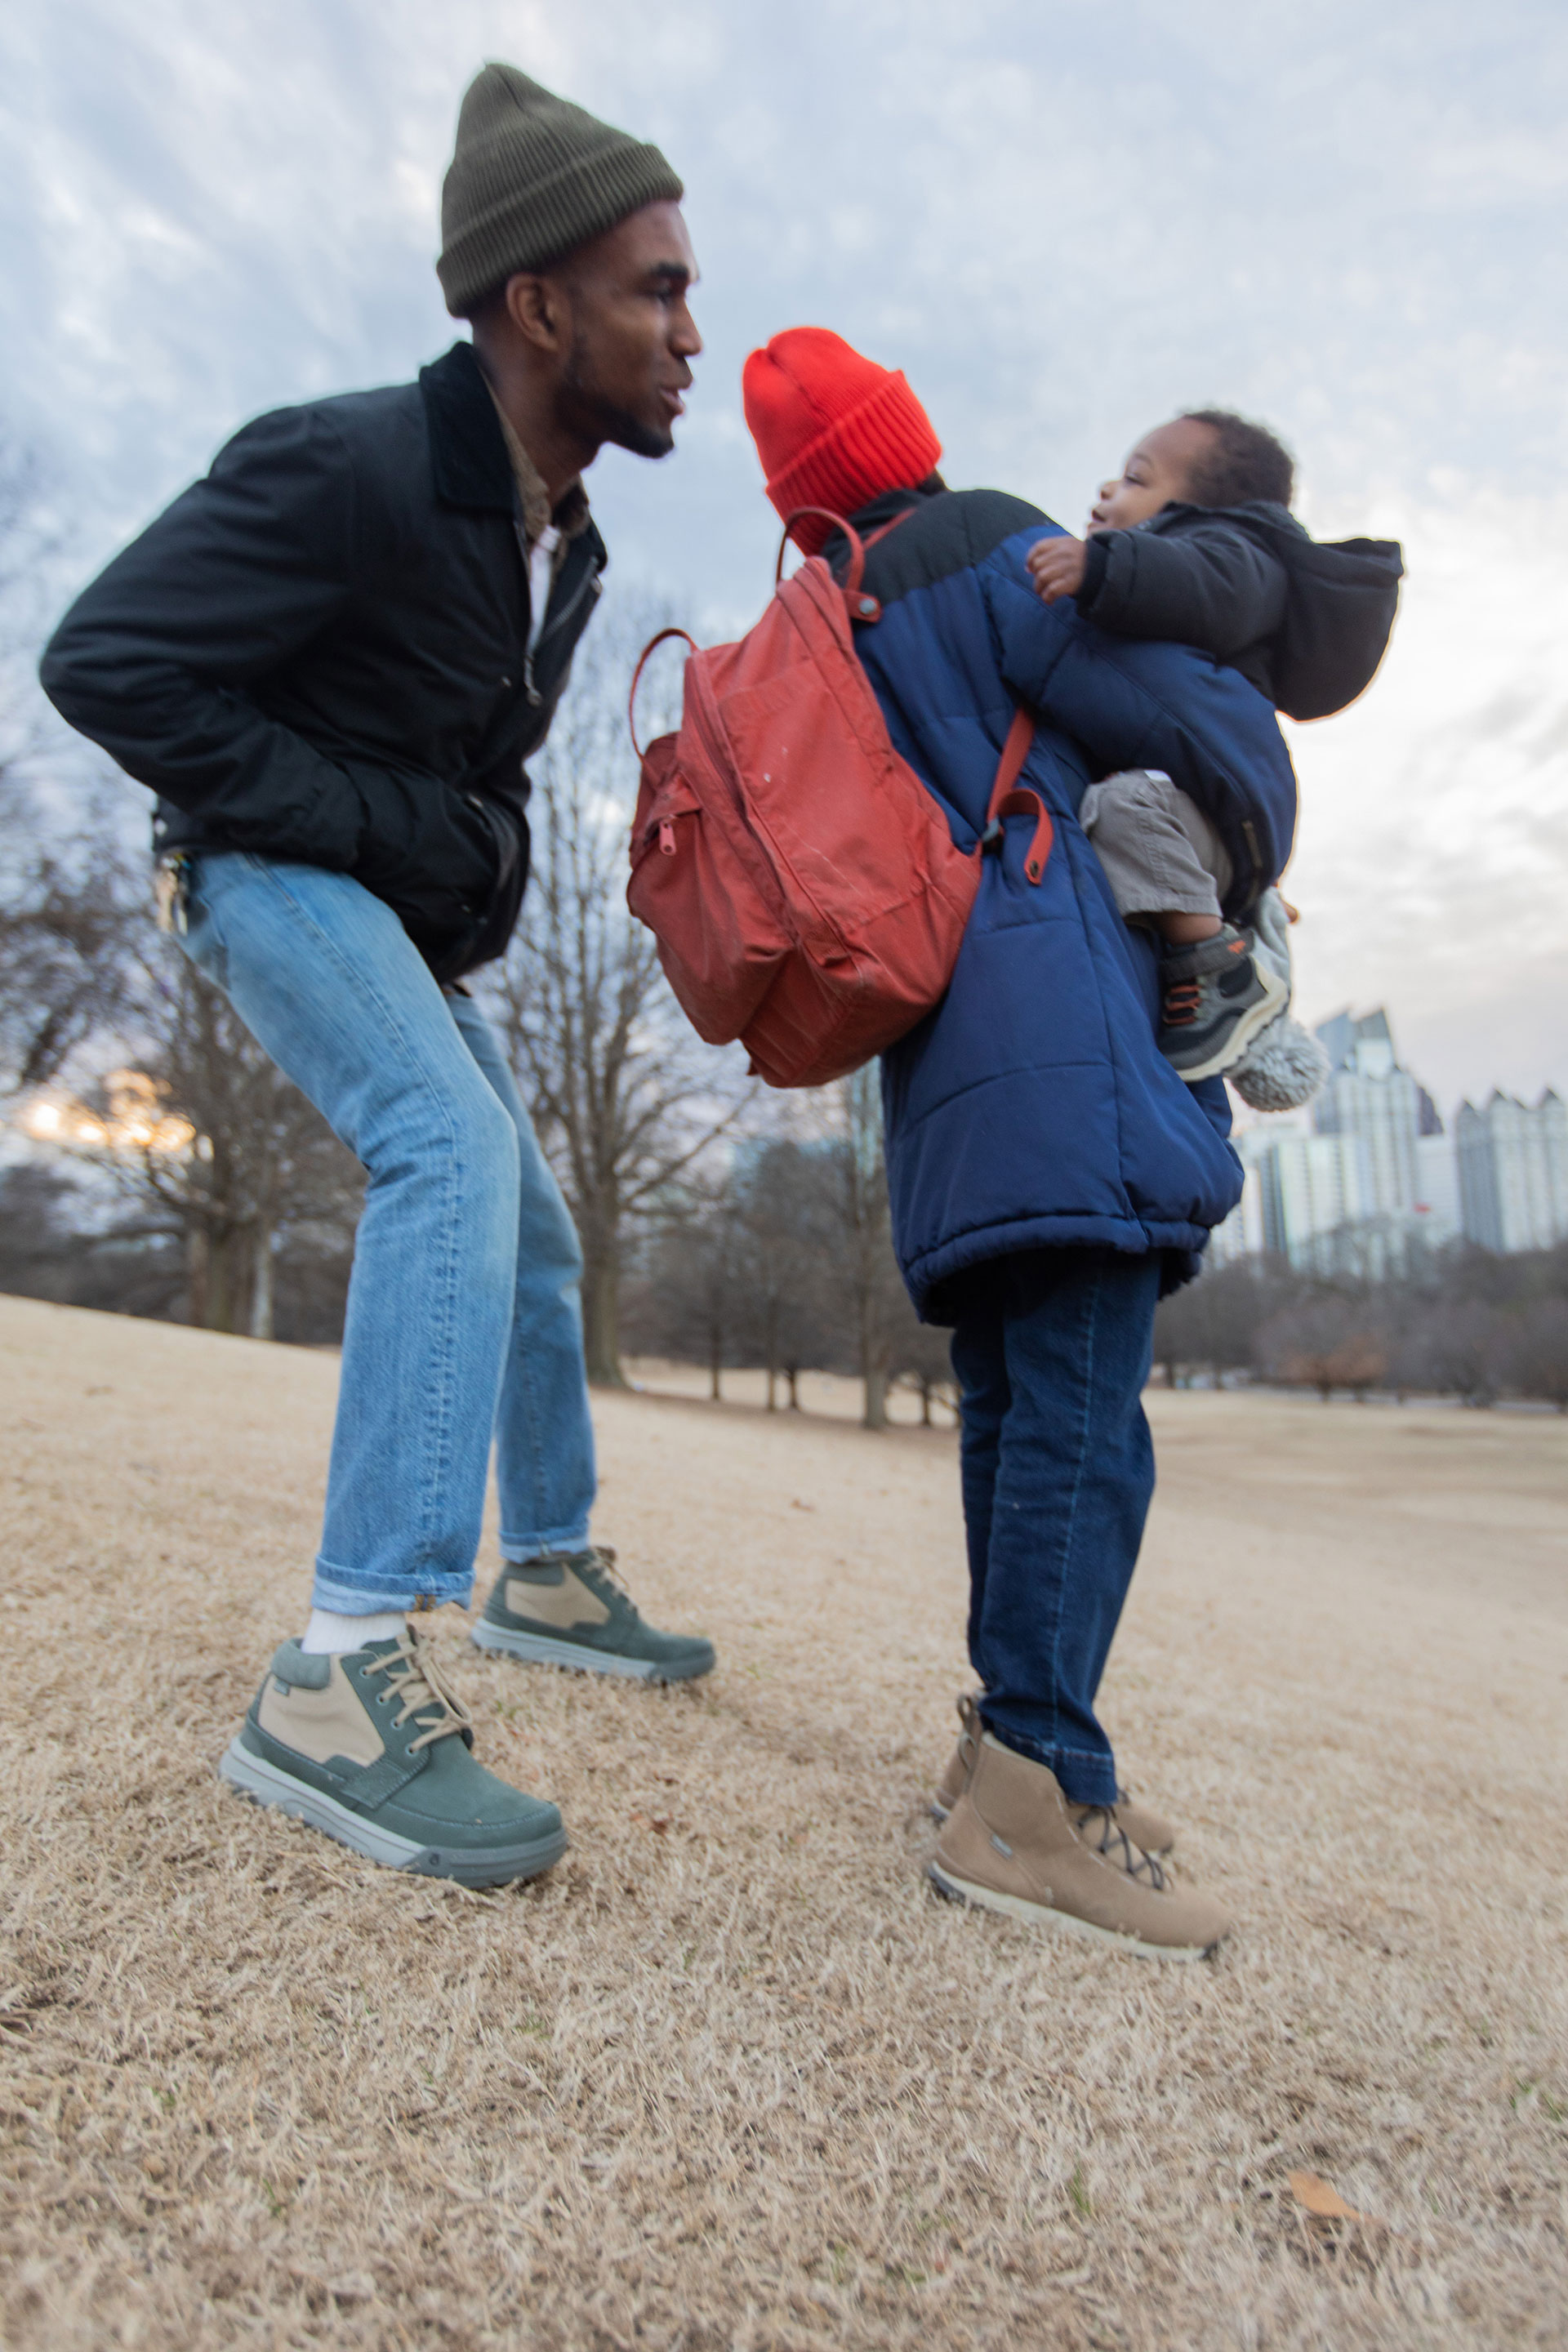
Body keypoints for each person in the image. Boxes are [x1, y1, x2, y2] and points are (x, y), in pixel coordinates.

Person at [39, 64, 715, 1892]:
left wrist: (464, 866)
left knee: (538, 1232)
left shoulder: (564, 544)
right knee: (447, 1146)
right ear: (537, 305)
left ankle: (546, 1568)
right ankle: (338, 1676)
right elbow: (105, 662)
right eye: (658, 290)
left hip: (391, 916)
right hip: (258, 871)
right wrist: (364, 822)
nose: (690, 334)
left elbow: (469, 774)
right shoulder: (344, 464)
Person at [742, 329, 1315, 1958]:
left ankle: (1022, 1756)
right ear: (902, 434)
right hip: (1058, 1019)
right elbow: (1203, 729)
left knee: (1018, 1407)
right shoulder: (986, 543)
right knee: (1082, 1424)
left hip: (944, 1054)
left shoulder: (836, 605)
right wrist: (1264, 803)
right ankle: (1028, 1800)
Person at [1027, 411, 1402, 1087]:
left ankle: (1218, 972)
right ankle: (1241, 959)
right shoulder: (1156, 590)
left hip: (1206, 813)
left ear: (1199, 508)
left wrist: (1103, 566)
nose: (1106, 491)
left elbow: (1204, 585)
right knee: (1122, 807)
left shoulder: (1238, 555)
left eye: (1135, 479)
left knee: (1125, 807)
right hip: (1201, 817)